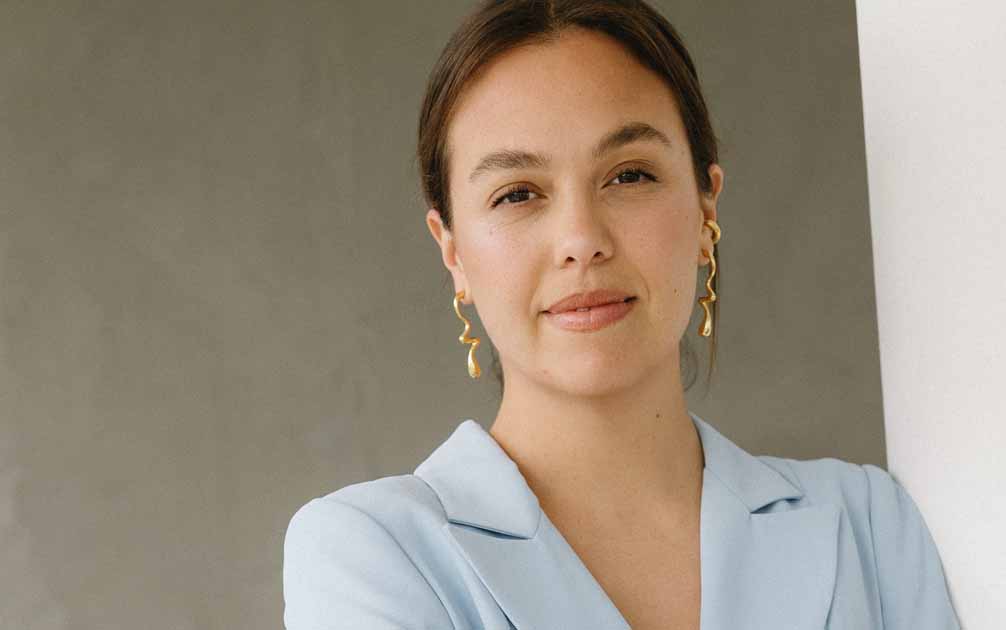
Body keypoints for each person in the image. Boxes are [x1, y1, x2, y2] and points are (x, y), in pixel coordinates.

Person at [282, 1, 961, 628]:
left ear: (706, 207)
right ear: (452, 250)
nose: (582, 240)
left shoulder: (868, 525)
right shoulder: (372, 551)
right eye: (517, 193)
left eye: (629, 175)